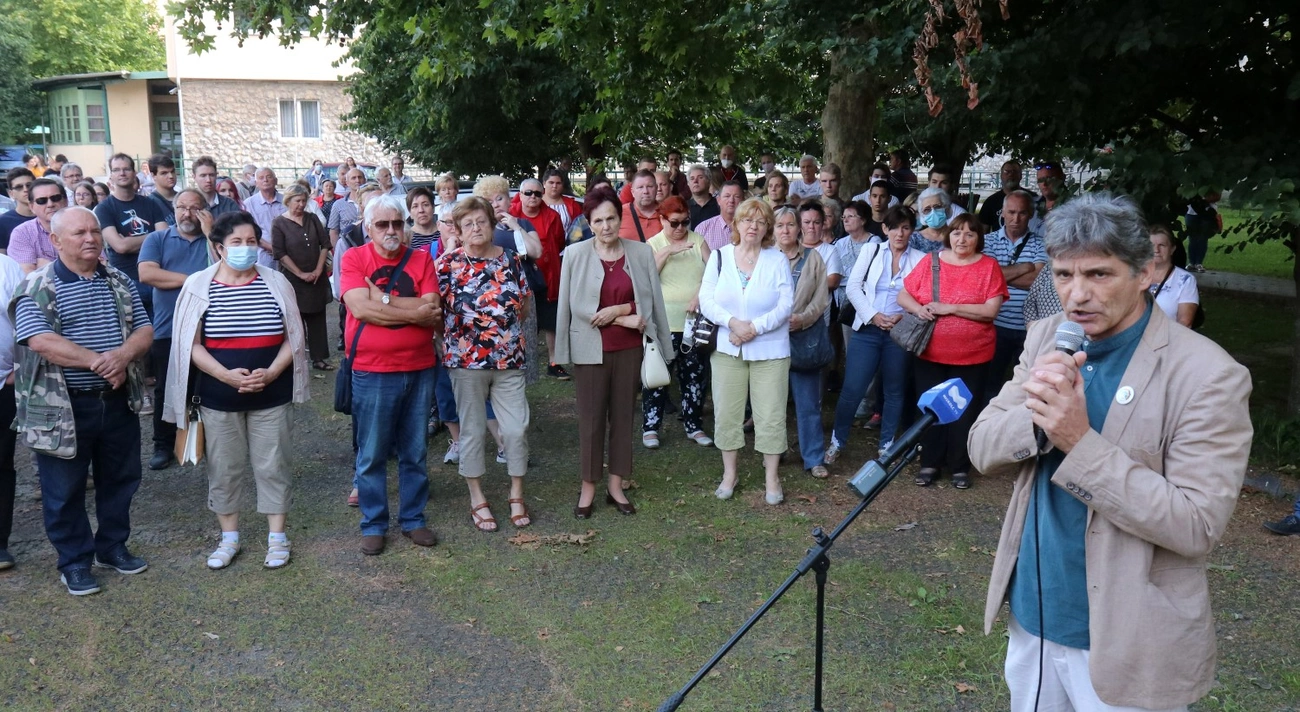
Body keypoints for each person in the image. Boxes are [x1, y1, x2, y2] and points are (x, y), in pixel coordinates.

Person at [970, 192, 1252, 712]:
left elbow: (1196, 525)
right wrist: (1039, 422)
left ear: (1145, 271)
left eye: (1098, 274)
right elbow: (981, 447)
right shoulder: (1045, 338)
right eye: (1062, 275)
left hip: (1131, 635)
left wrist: (1080, 442)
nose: (1076, 295)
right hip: (1034, 612)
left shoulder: (1208, 376)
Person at [12, 206, 154, 596]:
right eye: (79, 233)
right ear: (56, 241)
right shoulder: (37, 285)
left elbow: (144, 329)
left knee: (121, 479)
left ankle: (112, 548)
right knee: (64, 491)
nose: (90, 238)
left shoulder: (118, 280)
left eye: (94, 230)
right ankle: (74, 562)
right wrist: (99, 362)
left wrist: (122, 357)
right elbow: (39, 340)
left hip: (116, 400)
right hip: (62, 409)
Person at [164, 211, 310, 570]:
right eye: (236, 242)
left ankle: (277, 537)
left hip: (271, 393)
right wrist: (228, 376)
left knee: (273, 463)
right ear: (219, 248)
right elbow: (190, 344)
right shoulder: (198, 285)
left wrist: (274, 371)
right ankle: (229, 537)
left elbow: (295, 333)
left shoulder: (276, 281)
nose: (245, 249)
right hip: (219, 395)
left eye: (250, 242)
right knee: (224, 467)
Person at [556, 186, 672, 518]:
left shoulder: (640, 252)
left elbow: (652, 302)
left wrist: (622, 308)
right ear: (589, 223)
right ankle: (589, 487)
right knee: (591, 420)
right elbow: (573, 306)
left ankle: (616, 486)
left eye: (611, 219)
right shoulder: (576, 255)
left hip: (630, 349)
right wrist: (621, 316)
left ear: (619, 219)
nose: (606, 226)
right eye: (598, 221)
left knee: (623, 417)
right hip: (590, 349)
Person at [340, 194, 443, 555]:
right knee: (372, 452)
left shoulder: (420, 259)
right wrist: (415, 312)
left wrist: (382, 299)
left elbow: (435, 307)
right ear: (368, 228)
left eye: (397, 223)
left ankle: (413, 519)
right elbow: (359, 308)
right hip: (372, 369)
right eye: (383, 224)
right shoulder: (354, 258)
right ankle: (374, 523)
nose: (392, 230)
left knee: (415, 450)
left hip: (419, 367)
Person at [437, 197, 534, 530]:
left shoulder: (510, 259)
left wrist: (503, 330)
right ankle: (477, 497)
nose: (476, 228)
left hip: (509, 358)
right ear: (459, 231)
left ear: (492, 225)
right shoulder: (447, 263)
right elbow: (436, 311)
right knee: (474, 431)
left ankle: (516, 493)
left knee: (515, 428)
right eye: (468, 224)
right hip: (465, 361)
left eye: (481, 222)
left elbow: (524, 302)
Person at [897, 213, 1007, 489]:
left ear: (978, 239)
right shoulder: (931, 262)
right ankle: (929, 463)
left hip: (973, 355)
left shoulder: (988, 266)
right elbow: (903, 294)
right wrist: (918, 308)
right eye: (957, 232)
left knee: (965, 411)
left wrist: (951, 308)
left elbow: (990, 310)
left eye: (970, 234)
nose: (963, 238)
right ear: (949, 235)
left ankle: (960, 466)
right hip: (930, 352)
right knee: (930, 408)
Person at [699, 198, 793, 505]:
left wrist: (754, 327)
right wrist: (733, 324)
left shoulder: (776, 258)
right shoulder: (720, 257)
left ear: (768, 228)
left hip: (770, 349)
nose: (753, 226)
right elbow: (707, 299)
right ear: (736, 224)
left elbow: (785, 304)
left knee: (771, 415)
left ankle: (772, 477)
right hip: (728, 347)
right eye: (747, 220)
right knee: (727, 412)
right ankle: (730, 474)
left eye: (760, 221)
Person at [827, 205, 926, 464]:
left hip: (899, 331)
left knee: (894, 390)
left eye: (906, 228)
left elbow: (922, 297)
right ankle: (837, 441)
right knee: (852, 388)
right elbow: (854, 288)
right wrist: (872, 315)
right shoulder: (872, 250)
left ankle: (887, 445)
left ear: (912, 230)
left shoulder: (920, 259)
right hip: (868, 329)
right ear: (885, 229)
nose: (900, 234)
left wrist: (901, 316)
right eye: (894, 228)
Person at [138, 189, 215, 471]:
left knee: (205, 386)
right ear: (173, 210)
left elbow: (226, 270)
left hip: (210, 329)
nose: (187, 213)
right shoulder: (157, 239)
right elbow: (148, 274)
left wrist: (211, 234)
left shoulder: (214, 240)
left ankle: (203, 440)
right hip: (168, 327)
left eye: (195, 208)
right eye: (182, 207)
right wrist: (195, 280)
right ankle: (162, 443)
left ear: (205, 212)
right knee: (166, 389)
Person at [642, 195, 712, 449]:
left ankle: (693, 425)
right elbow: (646, 278)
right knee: (658, 377)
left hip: (693, 323)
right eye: (674, 223)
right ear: (661, 220)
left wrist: (699, 296)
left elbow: (714, 275)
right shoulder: (652, 244)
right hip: (663, 323)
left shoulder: (699, 241)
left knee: (694, 376)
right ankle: (651, 426)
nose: (680, 228)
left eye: (685, 222)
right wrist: (668, 250)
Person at [774, 206, 831, 479]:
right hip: (771, 340)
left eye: (790, 225)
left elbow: (821, 299)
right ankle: (775, 450)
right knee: (772, 402)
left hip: (804, 338)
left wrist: (802, 319)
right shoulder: (764, 258)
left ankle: (814, 458)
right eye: (779, 225)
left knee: (808, 403)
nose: (785, 230)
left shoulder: (814, 258)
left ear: (799, 228)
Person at [981, 190, 1047, 403]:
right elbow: (983, 278)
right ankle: (984, 427)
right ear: (1002, 213)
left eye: (1022, 213)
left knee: (1026, 385)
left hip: (1030, 326)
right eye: (1011, 212)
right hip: (995, 324)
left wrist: (999, 274)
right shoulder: (986, 241)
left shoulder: (1041, 243)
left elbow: (1038, 281)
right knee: (990, 383)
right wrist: (1025, 267)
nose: (1016, 219)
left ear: (1030, 214)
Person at [95, 155, 170, 320]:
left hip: (156, 278)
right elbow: (120, 246)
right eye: (116, 170)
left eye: (126, 169)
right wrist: (152, 238)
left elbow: (164, 237)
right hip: (126, 282)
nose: (122, 173)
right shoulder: (104, 209)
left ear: (134, 172)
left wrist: (129, 241)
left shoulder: (150, 203)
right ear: (111, 175)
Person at [272, 183, 334, 369]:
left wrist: (317, 270)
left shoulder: (312, 218)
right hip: (293, 279)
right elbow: (280, 253)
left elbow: (325, 244)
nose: (301, 204)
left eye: (304, 201)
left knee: (317, 318)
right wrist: (300, 273)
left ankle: (319, 358)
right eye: (297, 201)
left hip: (316, 277)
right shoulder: (279, 223)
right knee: (295, 320)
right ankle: (294, 359)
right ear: (288, 201)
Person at [0, 251, 26, 570]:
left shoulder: (6, 267)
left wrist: (19, 368)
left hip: (3, 382)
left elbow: (26, 317)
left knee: (1, 461)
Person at [10, 178, 69, 273]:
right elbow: (28, 277)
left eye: (56, 198)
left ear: (66, 201)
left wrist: (46, 266)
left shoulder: (84, 227)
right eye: (42, 200)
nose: (50, 204)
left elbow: (97, 265)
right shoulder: (22, 233)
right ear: (31, 207)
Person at [1148, 224, 1199, 327]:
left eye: (1162, 245)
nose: (1156, 250)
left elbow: (1185, 322)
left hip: (1168, 339)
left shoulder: (1186, 280)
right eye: (1151, 245)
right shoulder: (1133, 275)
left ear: (1172, 249)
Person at [244, 168, 285, 266]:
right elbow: (250, 231)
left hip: (289, 252)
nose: (265, 180)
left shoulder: (286, 201)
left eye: (269, 177)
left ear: (276, 181)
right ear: (256, 183)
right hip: (263, 255)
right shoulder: (249, 204)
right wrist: (271, 247)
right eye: (261, 178)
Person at [977, 160, 1033, 230]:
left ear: (1021, 176)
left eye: (1014, 172)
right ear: (1001, 176)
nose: (1011, 175)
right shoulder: (991, 202)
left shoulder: (1032, 198)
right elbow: (983, 231)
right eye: (1007, 172)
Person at [696, 181, 744, 250]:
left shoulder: (750, 228)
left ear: (743, 201)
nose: (731, 200)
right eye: (727, 196)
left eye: (736, 196)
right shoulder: (703, 229)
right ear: (718, 200)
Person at [619, 169, 663, 242]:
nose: (645, 191)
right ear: (632, 192)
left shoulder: (667, 212)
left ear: (656, 188)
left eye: (650, 186)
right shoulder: (620, 213)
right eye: (640, 187)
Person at [328, 168, 366, 247]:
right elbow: (333, 231)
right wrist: (338, 251)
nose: (357, 180)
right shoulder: (338, 204)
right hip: (347, 248)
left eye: (360, 177)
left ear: (365, 180)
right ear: (347, 182)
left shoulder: (373, 202)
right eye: (353, 178)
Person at [0, 168, 36, 253]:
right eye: (19, 187)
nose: (25, 189)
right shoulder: (3, 222)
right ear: (11, 193)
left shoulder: (46, 216)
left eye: (29, 185)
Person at [1184, 192, 1220, 273]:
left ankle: (1199, 263)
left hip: (1208, 213)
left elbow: (1217, 196)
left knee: (1203, 238)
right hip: (1191, 213)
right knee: (1192, 238)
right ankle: (1191, 263)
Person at [910, 186, 953, 254]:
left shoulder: (957, 236)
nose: (933, 212)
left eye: (937, 207)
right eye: (927, 209)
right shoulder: (914, 239)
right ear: (922, 214)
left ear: (946, 208)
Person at [146, 154, 179, 226]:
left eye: (172, 171)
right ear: (153, 176)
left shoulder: (184, 198)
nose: (171, 176)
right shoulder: (149, 203)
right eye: (164, 173)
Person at [407, 186, 439, 252]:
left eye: (425, 205)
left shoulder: (444, 232)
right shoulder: (406, 238)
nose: (421, 210)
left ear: (433, 208)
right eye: (415, 206)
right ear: (410, 212)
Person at [686, 164, 720, 229]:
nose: (695, 181)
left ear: (709, 181)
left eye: (700, 177)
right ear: (688, 184)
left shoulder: (719, 205)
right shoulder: (684, 207)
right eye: (692, 178)